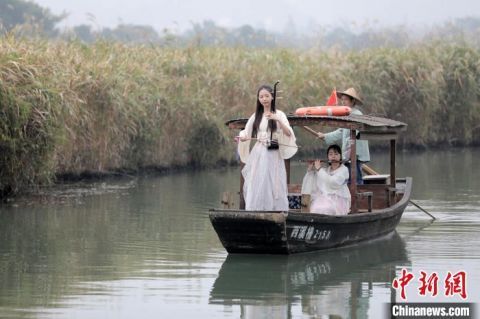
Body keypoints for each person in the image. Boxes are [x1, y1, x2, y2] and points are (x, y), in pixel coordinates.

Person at [237, 84, 297, 211]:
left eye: (266, 96)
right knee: (257, 180)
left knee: (273, 181)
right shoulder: (256, 115)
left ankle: (275, 210)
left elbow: (288, 133)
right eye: (261, 97)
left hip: (273, 153)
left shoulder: (279, 114)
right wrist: (242, 137)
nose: (264, 99)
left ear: (272, 97)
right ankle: (255, 209)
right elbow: (246, 132)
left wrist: (277, 120)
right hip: (259, 152)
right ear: (258, 99)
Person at [316, 88, 370, 184]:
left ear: (352, 101)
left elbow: (355, 134)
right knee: (350, 177)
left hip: (355, 153)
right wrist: (325, 136)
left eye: (345, 99)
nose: (343, 101)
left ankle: (358, 198)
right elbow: (341, 131)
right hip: (348, 153)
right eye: (342, 99)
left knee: (356, 178)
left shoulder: (356, 114)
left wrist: (348, 152)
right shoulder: (347, 114)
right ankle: (351, 196)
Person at [301, 144, 351, 215]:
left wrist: (319, 169)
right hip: (325, 198)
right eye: (331, 154)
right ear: (328, 157)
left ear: (340, 156)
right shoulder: (326, 170)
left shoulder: (344, 170)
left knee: (327, 209)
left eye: (336, 154)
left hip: (340, 199)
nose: (333, 156)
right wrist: (310, 170)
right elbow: (316, 180)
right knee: (315, 208)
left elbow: (333, 182)